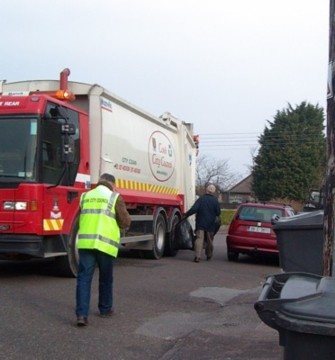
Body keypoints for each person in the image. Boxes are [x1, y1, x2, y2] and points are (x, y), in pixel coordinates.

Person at [75, 173, 131, 326]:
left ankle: (81, 315)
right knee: (106, 279)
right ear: (112, 184)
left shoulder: (85, 196)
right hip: (105, 245)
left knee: (84, 279)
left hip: (86, 244)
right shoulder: (114, 197)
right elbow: (125, 221)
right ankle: (105, 309)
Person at [184, 184, 221, 263]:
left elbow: (194, 209)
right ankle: (209, 254)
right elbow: (218, 213)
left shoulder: (201, 199)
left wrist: (186, 214)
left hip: (200, 223)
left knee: (199, 239)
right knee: (209, 240)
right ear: (213, 192)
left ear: (206, 190)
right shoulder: (215, 201)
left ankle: (197, 256)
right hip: (211, 224)